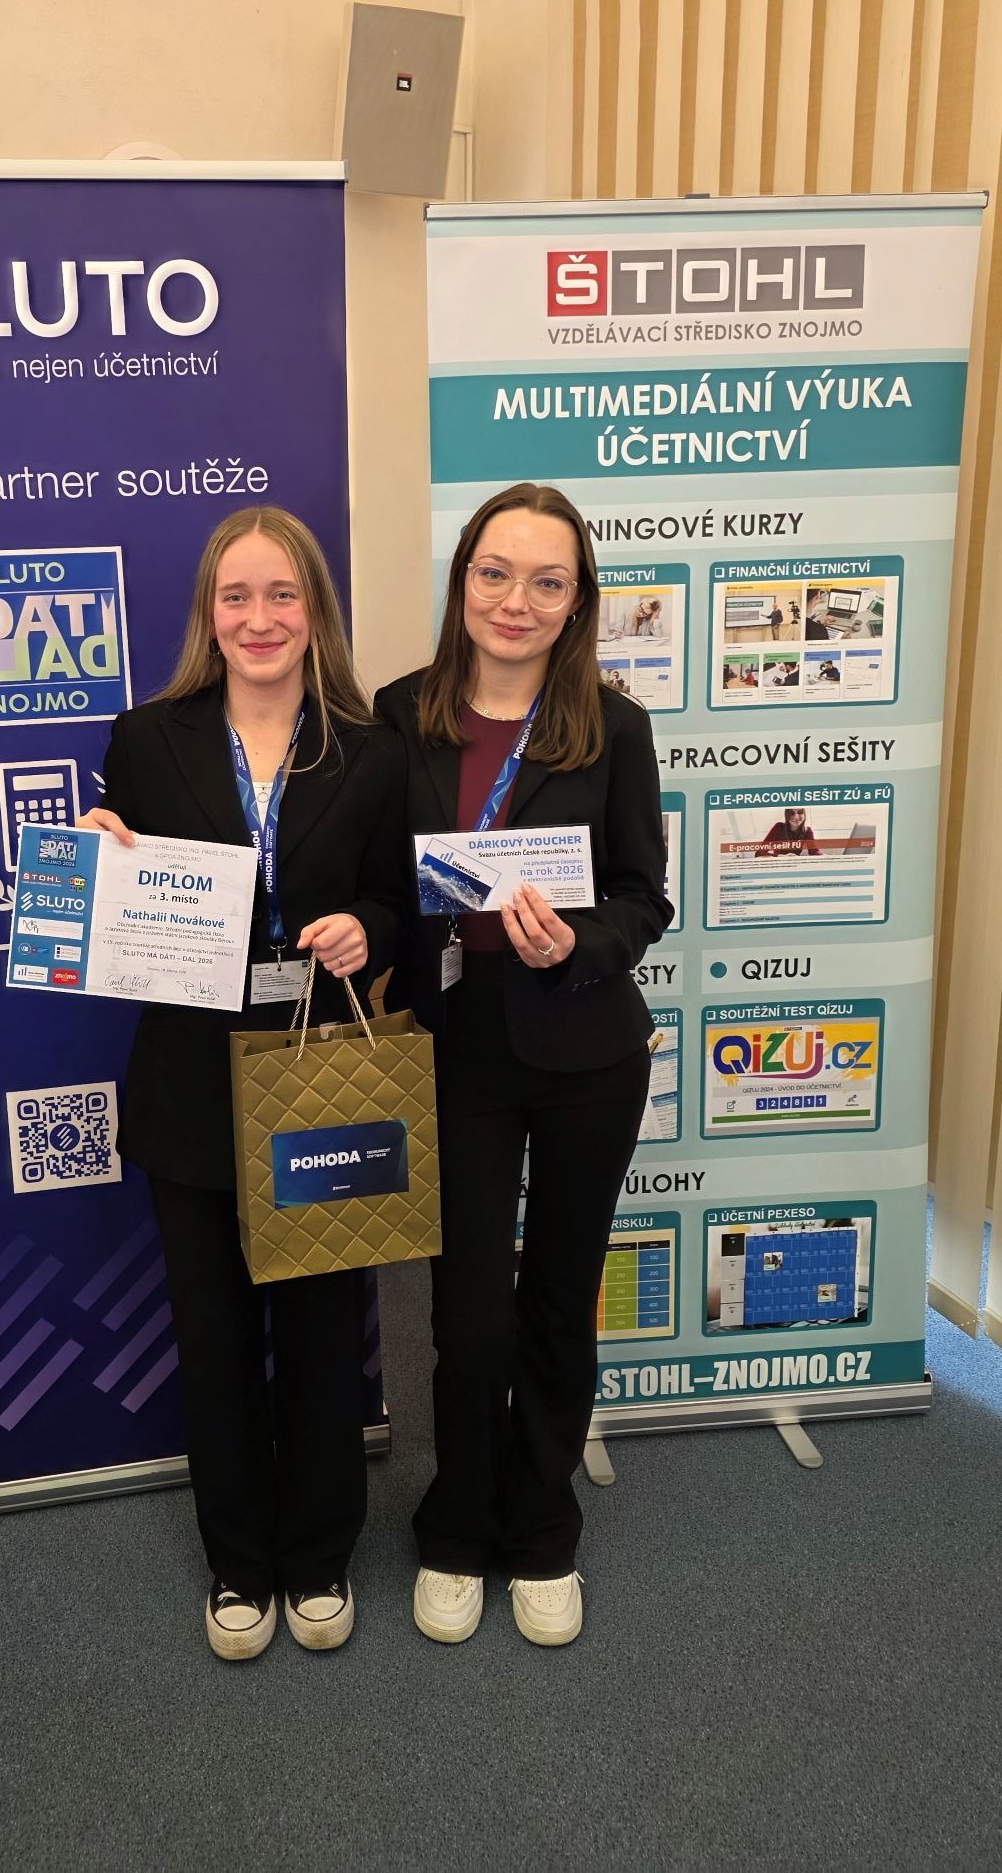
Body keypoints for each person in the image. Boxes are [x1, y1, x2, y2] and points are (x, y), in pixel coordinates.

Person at [80, 507, 406, 1662]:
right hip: (190, 1078)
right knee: (213, 1339)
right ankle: (238, 1565)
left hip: (319, 1073)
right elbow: (116, 900)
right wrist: (97, 856)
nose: (259, 618)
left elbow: (399, 903)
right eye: (236, 597)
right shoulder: (147, 737)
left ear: (314, 611)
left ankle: (316, 1557)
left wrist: (367, 930)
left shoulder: (369, 749)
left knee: (321, 1334)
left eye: (281, 595)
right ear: (207, 616)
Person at [378, 482, 671, 1650]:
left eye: (547, 582)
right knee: (468, 1317)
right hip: (456, 1047)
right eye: (495, 573)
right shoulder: (398, 716)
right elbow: (353, 868)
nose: (516, 600)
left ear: (576, 600)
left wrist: (575, 945)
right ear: (463, 578)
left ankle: (543, 1528)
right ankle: (457, 1525)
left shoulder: (613, 727)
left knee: (557, 1298)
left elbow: (643, 898)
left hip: (584, 1047)